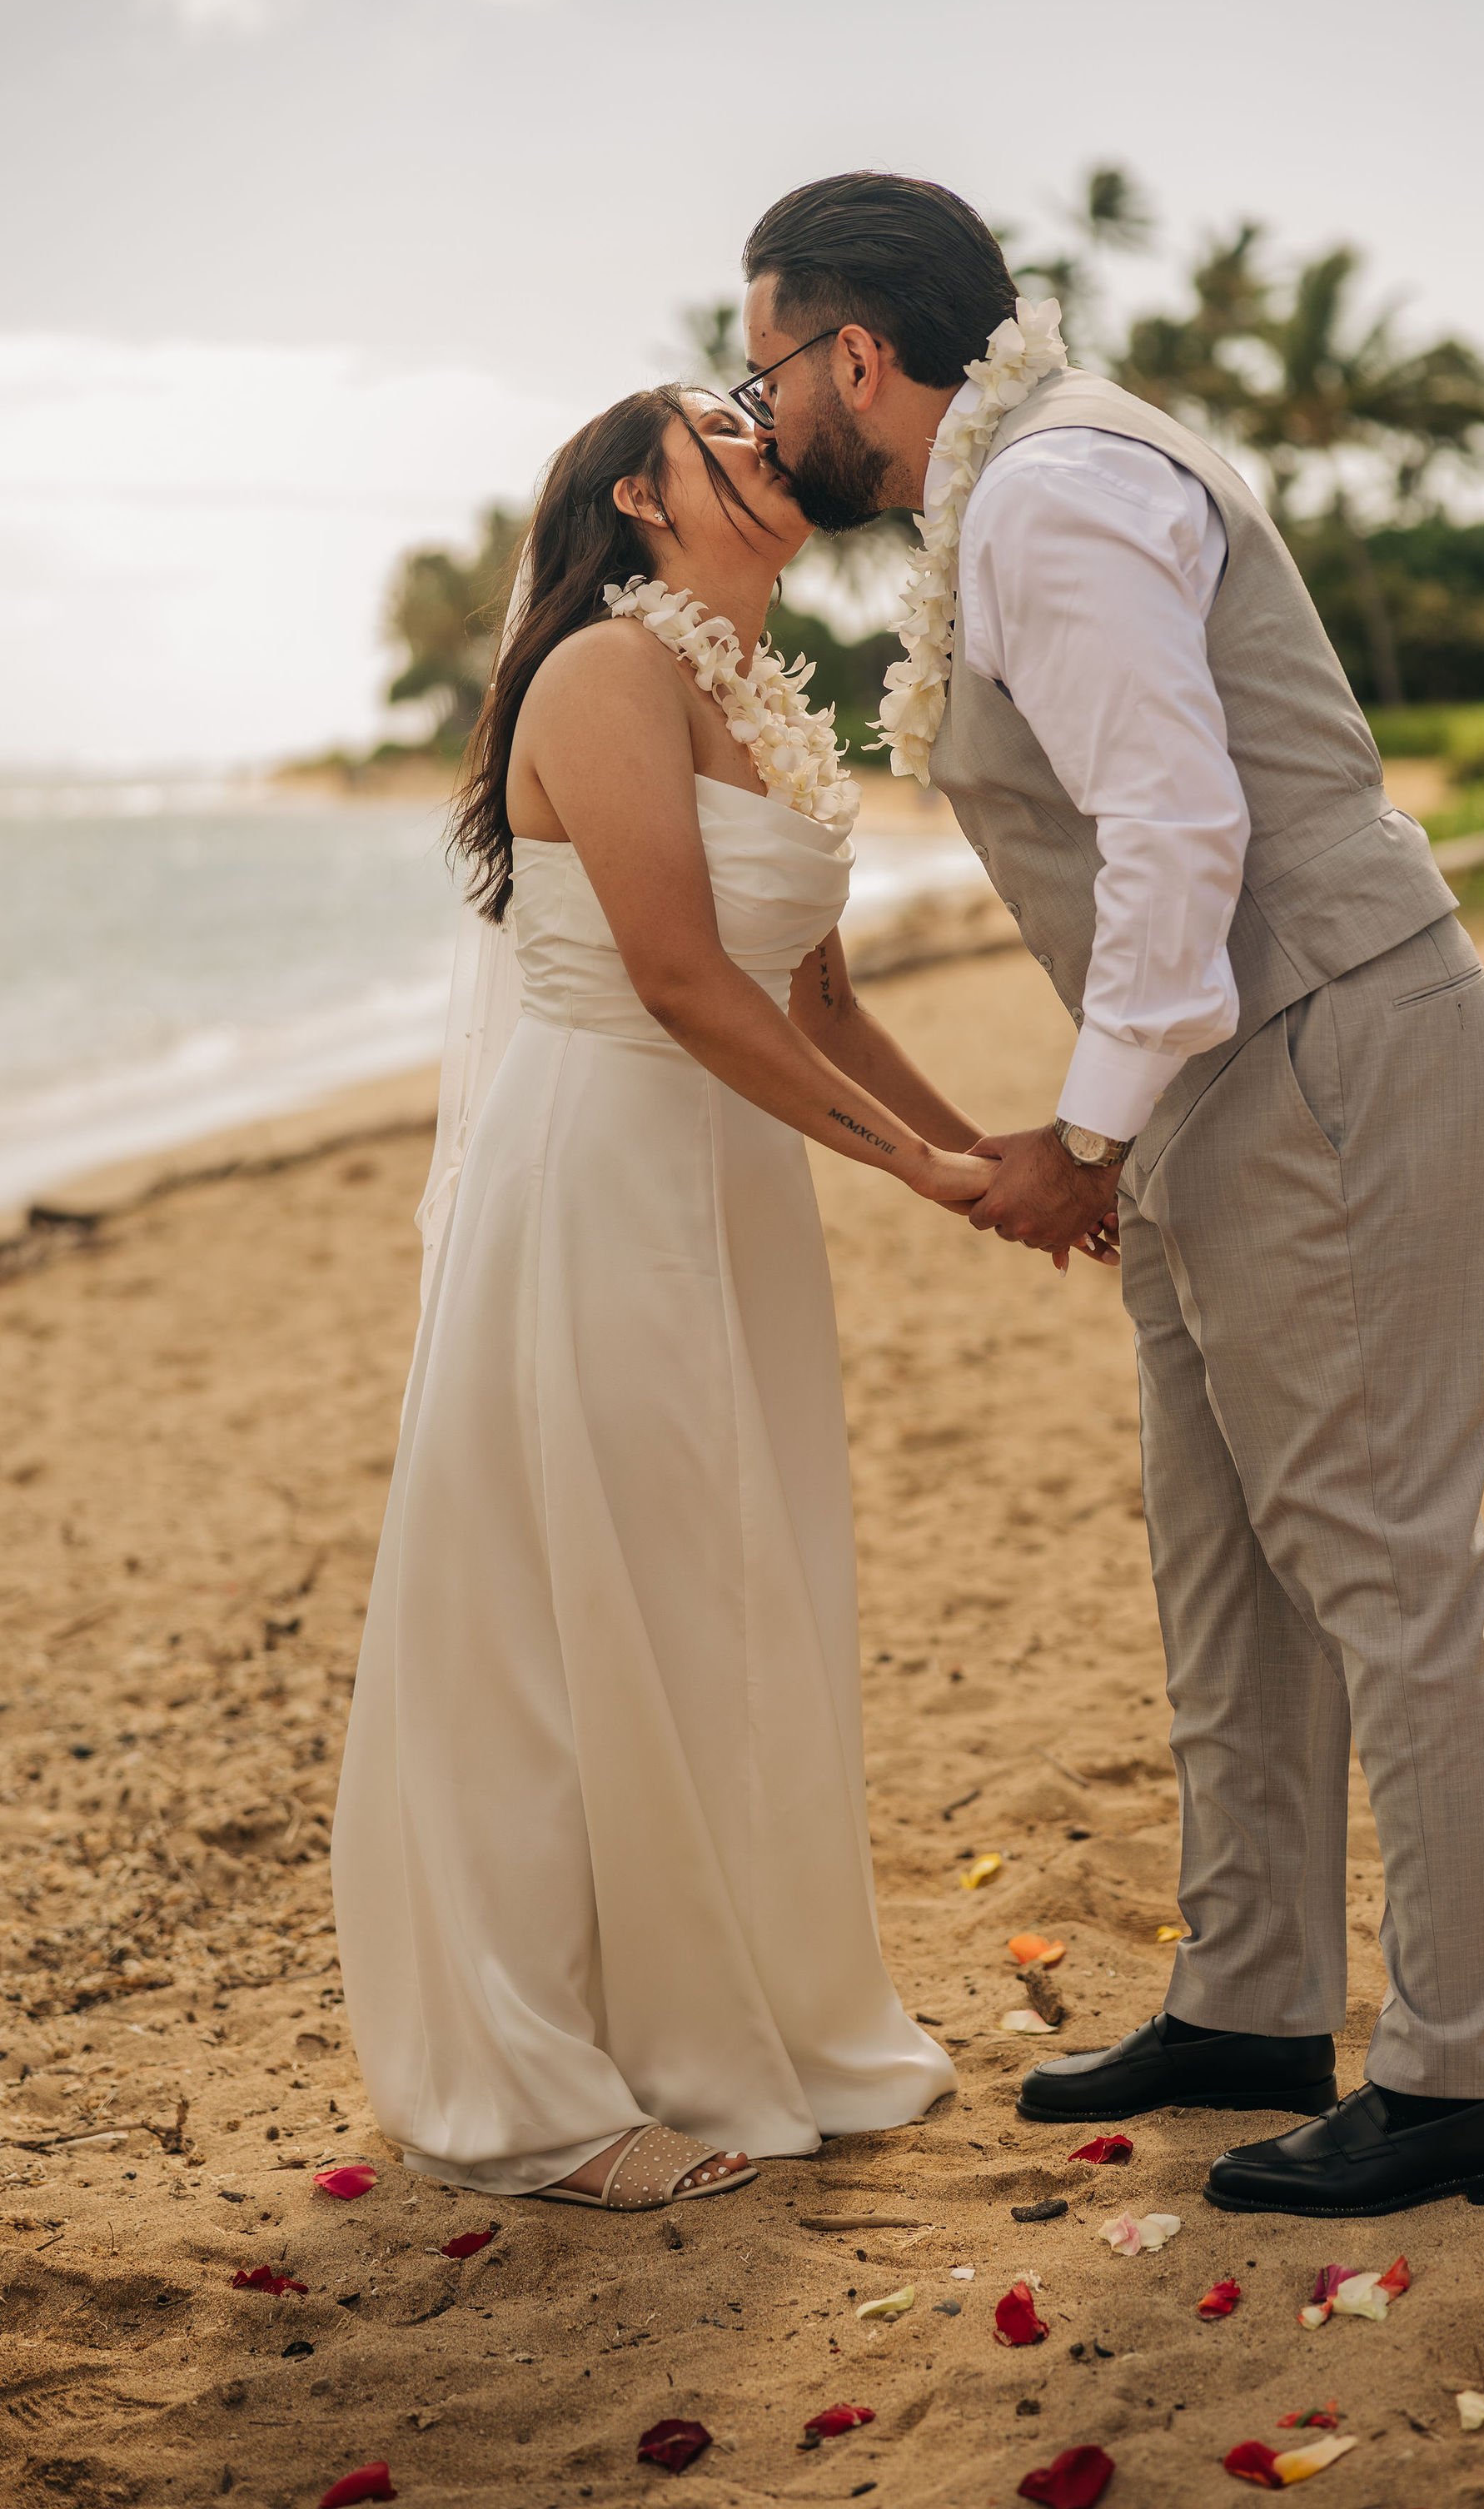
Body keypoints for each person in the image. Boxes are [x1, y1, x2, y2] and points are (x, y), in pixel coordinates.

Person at [739, 170, 1484, 2218]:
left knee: (1374, 1565)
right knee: (1226, 1564)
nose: (758, 413)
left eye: (763, 363)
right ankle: (1252, 1993)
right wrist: (1131, 1113)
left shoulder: (1051, 492)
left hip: (1324, 1041)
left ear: (856, 350)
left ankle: (1462, 2078)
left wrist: (1077, 1137)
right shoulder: (1015, 487)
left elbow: (1181, 823)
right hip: (1221, 1065)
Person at [331, 383, 1026, 2213]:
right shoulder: (602, 678)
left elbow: (816, 1005)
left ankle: (728, 2019)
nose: (762, 433)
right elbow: (673, 979)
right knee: (589, 1604)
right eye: (721, 426)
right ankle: (543, 2086)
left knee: (723, 1582)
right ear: (639, 495)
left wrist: (1002, 1176)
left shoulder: (759, 692)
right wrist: (914, 1170)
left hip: (735, 1180)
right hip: (605, 1177)